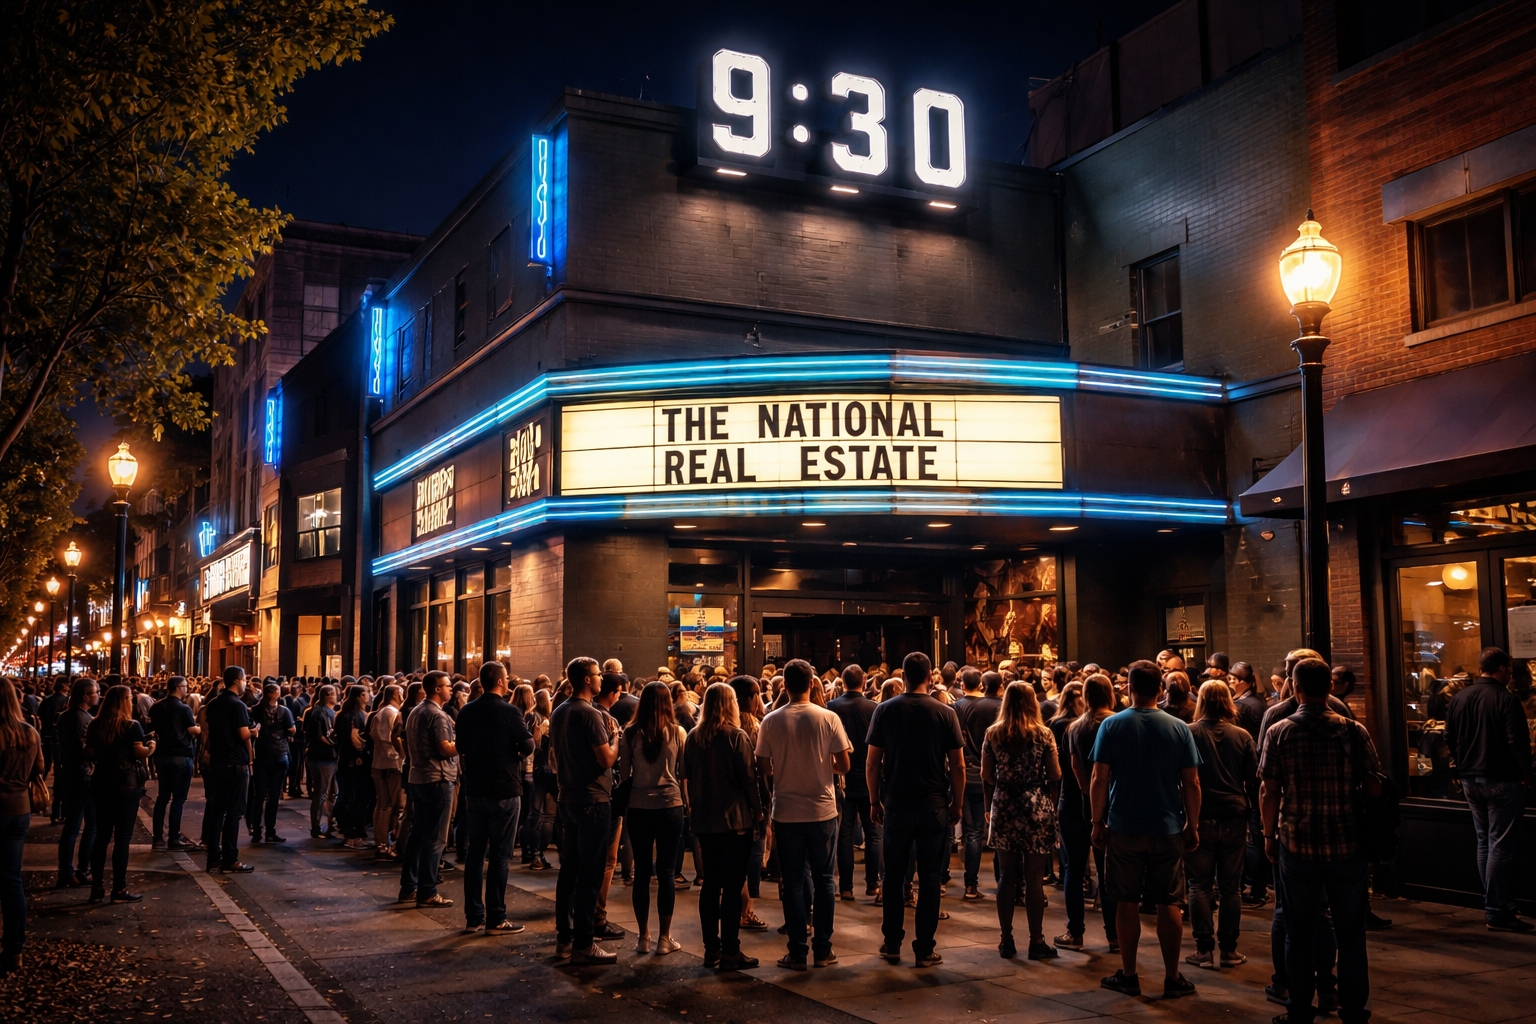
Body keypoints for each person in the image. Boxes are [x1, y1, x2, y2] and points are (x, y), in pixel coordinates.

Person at [1260, 657, 1382, 1024]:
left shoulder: (1279, 732)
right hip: (1347, 843)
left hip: (1298, 842)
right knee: (1350, 934)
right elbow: (1375, 784)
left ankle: (1300, 1009)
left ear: (1294, 689)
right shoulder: (1353, 731)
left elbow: (1269, 789)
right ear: (1330, 687)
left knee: (1298, 932)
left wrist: (1269, 835)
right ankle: (1353, 1009)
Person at [1090, 659, 1202, 1000]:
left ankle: (1129, 973)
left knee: (1126, 901)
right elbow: (1192, 781)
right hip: (1167, 825)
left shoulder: (1112, 726)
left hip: (1123, 825)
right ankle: (1172, 976)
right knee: (1170, 902)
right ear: (1160, 690)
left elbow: (1099, 777)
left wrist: (1097, 821)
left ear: (1129, 688)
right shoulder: (1179, 728)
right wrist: (1192, 824)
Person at [867, 651, 966, 968]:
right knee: (930, 876)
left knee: (894, 875)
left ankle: (891, 942)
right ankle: (924, 947)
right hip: (933, 802)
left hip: (896, 800)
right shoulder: (944, 712)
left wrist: (874, 799)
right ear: (929, 677)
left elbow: (872, 761)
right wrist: (957, 802)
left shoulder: (884, 710)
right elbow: (958, 765)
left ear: (904, 676)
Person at [756, 658, 852, 970]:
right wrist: (826, 767)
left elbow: (762, 766)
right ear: (812, 683)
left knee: (793, 882)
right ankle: (823, 949)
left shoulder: (771, 720)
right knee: (824, 879)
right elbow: (845, 765)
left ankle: (797, 951)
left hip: (786, 811)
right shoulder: (828, 718)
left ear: (784, 685)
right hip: (822, 809)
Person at [1445, 646, 1532, 932]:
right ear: (1503, 669)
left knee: (1485, 842)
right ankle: (1497, 910)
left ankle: (1495, 903)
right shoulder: (1506, 699)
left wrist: (1461, 764)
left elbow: (1449, 737)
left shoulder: (1460, 697)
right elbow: (1516, 741)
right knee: (1500, 846)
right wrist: (1526, 773)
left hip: (1470, 779)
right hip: (1501, 780)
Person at [683, 681, 764, 970]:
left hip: (705, 820)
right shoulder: (737, 736)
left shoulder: (693, 737)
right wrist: (758, 813)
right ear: (731, 705)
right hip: (735, 821)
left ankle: (711, 948)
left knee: (710, 885)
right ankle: (731, 950)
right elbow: (749, 780)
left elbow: (688, 774)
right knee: (732, 886)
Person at [983, 681, 1062, 960]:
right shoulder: (1044, 735)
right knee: (1034, 878)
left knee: (1006, 875)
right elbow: (1054, 774)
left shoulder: (993, 734)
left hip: (1004, 803)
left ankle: (1006, 940)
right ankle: (1036, 940)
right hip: (1035, 804)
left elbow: (987, 775)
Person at [550, 657, 621, 965]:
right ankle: (584, 942)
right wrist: (616, 738)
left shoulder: (559, 711)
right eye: (596, 675)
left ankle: (564, 937)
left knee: (568, 870)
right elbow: (606, 759)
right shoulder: (591, 714)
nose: (601, 679)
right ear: (588, 680)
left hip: (567, 797)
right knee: (590, 873)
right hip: (593, 799)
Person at [456, 662, 535, 934]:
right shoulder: (510, 711)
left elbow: (461, 746)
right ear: (501, 682)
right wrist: (511, 751)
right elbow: (528, 745)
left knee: (476, 853)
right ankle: (496, 917)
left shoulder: (467, 710)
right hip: (504, 788)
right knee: (500, 856)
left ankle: (473, 916)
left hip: (475, 789)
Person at [1184, 680, 1257, 970]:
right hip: (1234, 815)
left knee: (1198, 884)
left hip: (1198, 815)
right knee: (1230, 887)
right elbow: (1253, 778)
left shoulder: (1188, 733)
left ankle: (1204, 950)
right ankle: (1229, 950)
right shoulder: (1241, 736)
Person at [616, 680, 687, 954]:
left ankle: (643, 937)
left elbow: (624, 774)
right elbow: (683, 773)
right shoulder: (677, 732)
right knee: (667, 872)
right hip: (670, 805)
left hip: (638, 806)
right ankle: (665, 939)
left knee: (642, 872)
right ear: (668, 703)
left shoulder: (630, 733)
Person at [86, 684, 155, 902]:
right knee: (122, 838)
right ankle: (119, 889)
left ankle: (96, 887)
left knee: (101, 836)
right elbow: (139, 752)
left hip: (101, 782)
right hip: (126, 784)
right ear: (123, 701)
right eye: (129, 698)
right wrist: (152, 746)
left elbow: (89, 752)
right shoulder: (131, 725)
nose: (132, 702)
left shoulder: (95, 724)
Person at [1064, 674, 1118, 951]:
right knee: (1109, 872)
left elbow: (1075, 767)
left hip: (1077, 806)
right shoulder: (1118, 722)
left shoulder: (1076, 727)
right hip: (1113, 806)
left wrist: (1087, 794)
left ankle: (1075, 933)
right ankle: (1114, 936)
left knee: (1074, 869)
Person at [399, 671, 459, 908]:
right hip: (438, 778)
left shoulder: (416, 711)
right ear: (436, 688)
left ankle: (409, 887)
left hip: (419, 778)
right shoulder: (437, 715)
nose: (451, 689)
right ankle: (427, 890)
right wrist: (463, 743)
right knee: (435, 838)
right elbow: (445, 748)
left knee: (418, 834)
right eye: (447, 685)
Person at [0, 679, 44, 971]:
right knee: (12, 880)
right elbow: (39, 769)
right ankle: (15, 949)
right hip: (20, 808)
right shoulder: (30, 732)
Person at [828, 664, 880, 901]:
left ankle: (846, 887)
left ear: (842, 682)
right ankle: (872, 884)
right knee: (873, 834)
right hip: (870, 777)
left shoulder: (832, 708)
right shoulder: (874, 708)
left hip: (842, 778)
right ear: (865, 680)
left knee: (846, 833)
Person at [203, 666, 255, 874]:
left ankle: (213, 856)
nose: (246, 684)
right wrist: (254, 732)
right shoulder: (238, 705)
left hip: (217, 761)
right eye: (244, 680)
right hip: (235, 762)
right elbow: (243, 734)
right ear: (236, 681)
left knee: (217, 810)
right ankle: (230, 858)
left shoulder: (214, 703)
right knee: (234, 813)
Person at [956, 668, 1002, 903]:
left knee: (971, 833)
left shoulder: (960, 706)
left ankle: (971, 885)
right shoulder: (998, 707)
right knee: (993, 832)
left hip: (966, 772)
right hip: (991, 775)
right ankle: (1003, 882)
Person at [148, 676, 202, 852]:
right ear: (178, 687)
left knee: (163, 797)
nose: (187, 689)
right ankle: (174, 837)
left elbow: (151, 728)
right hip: (181, 754)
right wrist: (199, 728)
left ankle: (157, 838)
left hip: (162, 755)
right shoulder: (183, 708)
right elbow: (191, 730)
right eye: (185, 686)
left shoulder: (156, 706)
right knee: (178, 799)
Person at [55, 677, 98, 888]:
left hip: (69, 772)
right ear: (85, 695)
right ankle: (80, 869)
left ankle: (68, 870)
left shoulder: (65, 716)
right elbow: (86, 750)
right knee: (89, 825)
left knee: (72, 826)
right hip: (84, 774)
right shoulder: (84, 719)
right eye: (95, 691)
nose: (98, 695)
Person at [248, 683, 295, 844]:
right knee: (274, 796)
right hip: (279, 754)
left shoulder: (255, 710)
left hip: (261, 754)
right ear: (276, 694)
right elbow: (292, 729)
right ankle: (270, 831)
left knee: (259, 795)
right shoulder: (284, 711)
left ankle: (256, 832)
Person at [335, 685, 373, 850]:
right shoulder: (355, 715)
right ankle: (353, 835)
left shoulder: (345, 714)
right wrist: (360, 752)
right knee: (357, 798)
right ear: (359, 696)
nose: (369, 696)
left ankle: (347, 830)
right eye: (366, 693)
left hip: (345, 759)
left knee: (349, 795)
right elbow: (354, 738)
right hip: (354, 761)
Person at [370, 684, 406, 860]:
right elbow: (388, 739)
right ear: (395, 694)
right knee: (388, 805)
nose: (403, 695)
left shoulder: (382, 712)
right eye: (401, 692)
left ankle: (382, 842)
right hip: (391, 764)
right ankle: (383, 843)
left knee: (383, 804)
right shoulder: (391, 713)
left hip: (381, 762)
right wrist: (400, 756)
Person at [304, 684, 339, 839]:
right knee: (321, 793)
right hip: (322, 757)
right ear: (327, 695)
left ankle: (330, 824)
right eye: (334, 694)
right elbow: (319, 736)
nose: (337, 696)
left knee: (331, 792)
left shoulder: (325, 711)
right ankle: (316, 827)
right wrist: (333, 745)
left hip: (326, 757)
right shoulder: (319, 713)